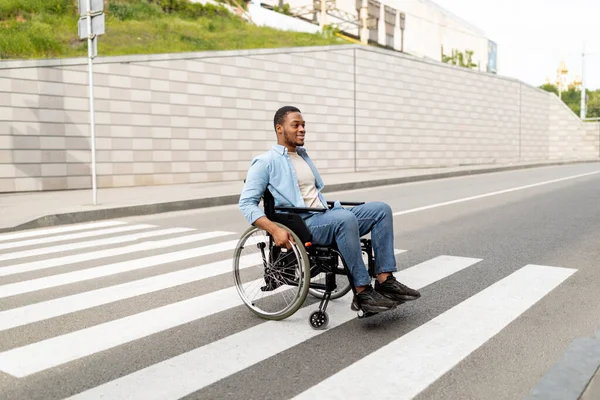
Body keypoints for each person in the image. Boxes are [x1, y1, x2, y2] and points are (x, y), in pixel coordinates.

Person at [239, 106, 420, 313]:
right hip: (304, 224)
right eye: (295, 125)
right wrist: (274, 229)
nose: (302, 129)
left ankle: (385, 280)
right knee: (344, 219)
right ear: (279, 129)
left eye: (303, 125)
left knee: (381, 210)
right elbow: (246, 204)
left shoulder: (302, 156)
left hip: (325, 215)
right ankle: (362, 292)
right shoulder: (265, 162)